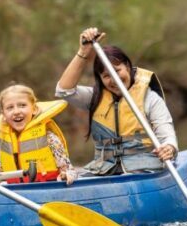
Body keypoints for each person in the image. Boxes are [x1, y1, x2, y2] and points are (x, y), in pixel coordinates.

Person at [55, 28, 178, 175]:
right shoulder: (95, 96)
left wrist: (169, 147)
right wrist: (83, 52)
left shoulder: (151, 99)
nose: (113, 80)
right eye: (106, 76)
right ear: (100, 79)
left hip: (145, 168)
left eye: (117, 71)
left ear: (127, 66)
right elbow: (63, 90)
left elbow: (167, 135)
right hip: (103, 169)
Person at [0, 84, 77, 185]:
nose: (16, 111)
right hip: (16, 193)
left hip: (47, 190)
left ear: (34, 109)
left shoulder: (49, 138)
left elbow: (69, 170)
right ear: (3, 114)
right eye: (10, 108)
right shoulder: (4, 145)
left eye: (22, 105)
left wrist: (66, 175)